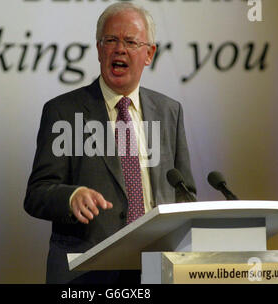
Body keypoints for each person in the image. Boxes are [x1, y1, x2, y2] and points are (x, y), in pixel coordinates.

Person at [24, 2, 196, 284]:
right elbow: (36, 194)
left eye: (131, 41)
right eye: (111, 40)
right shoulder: (63, 112)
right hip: (86, 274)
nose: (120, 49)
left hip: (157, 270)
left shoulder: (169, 111)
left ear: (149, 53)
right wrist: (70, 196)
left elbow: (185, 193)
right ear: (99, 48)